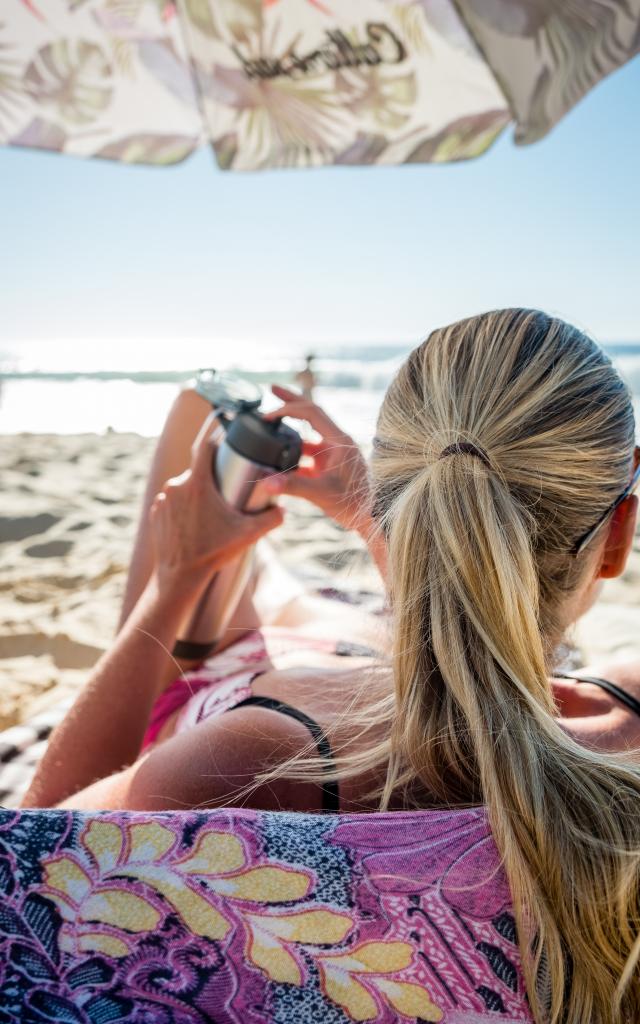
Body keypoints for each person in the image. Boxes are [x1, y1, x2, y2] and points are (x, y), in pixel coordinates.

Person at [21, 309, 640, 1021]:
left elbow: (31, 883)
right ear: (619, 532)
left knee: (201, 412)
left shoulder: (245, 763)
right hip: (363, 648)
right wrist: (377, 521)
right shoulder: (625, 716)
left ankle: (226, 551)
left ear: (402, 500)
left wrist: (172, 584)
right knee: (300, 602)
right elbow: (473, 658)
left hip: (297, 680)